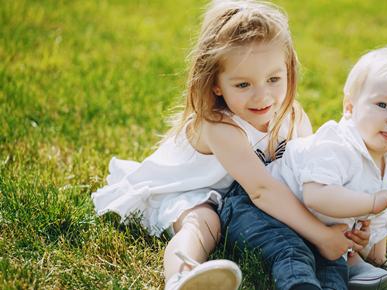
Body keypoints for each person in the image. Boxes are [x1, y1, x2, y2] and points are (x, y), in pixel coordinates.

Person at [92, 1, 360, 289]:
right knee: (204, 223)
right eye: (243, 85)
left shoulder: (292, 115)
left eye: (273, 79)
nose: (262, 96)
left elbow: (303, 178)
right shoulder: (219, 126)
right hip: (188, 192)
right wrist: (321, 235)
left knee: (300, 220)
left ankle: (358, 266)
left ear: (288, 70)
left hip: (242, 200)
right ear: (216, 84)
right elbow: (262, 190)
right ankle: (181, 275)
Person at [265, 46, 387, 289]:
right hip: (271, 213)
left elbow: (376, 219)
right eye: (383, 105)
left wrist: (369, 248)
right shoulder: (336, 144)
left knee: (335, 268)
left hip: (320, 229)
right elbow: (317, 196)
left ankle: (365, 274)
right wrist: (372, 202)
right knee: (295, 255)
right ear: (350, 107)